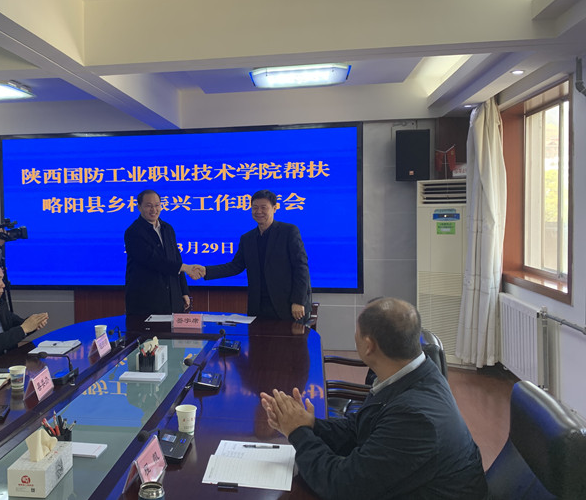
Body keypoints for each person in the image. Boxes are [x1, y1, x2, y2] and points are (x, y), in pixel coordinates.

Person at [260, 298, 487, 500]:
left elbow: (341, 486)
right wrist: (311, 424)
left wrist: (298, 432)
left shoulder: (415, 420)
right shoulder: (414, 373)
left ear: (369, 346)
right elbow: (359, 428)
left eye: (356, 333)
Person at [202, 189, 311, 327]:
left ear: (274, 208)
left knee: (288, 341)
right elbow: (235, 266)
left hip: (288, 306)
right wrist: (205, 271)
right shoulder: (247, 238)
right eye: (255, 207)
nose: (258, 211)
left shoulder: (288, 232)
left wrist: (298, 301)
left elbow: (301, 267)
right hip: (258, 307)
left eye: (263, 207)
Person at [124, 189, 203, 316]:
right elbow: (153, 261)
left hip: (172, 299)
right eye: (148, 206)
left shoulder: (168, 228)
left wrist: (184, 291)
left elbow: (177, 259)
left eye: (157, 205)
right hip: (146, 302)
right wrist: (185, 267)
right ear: (139, 207)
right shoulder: (133, 232)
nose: (154, 210)